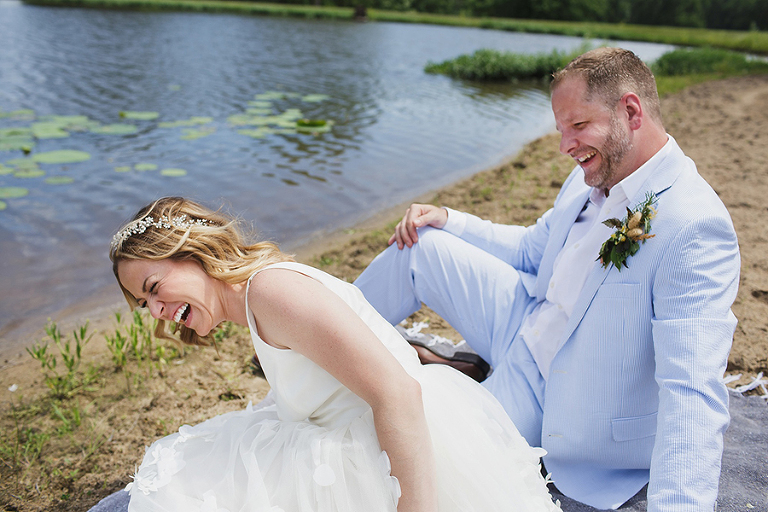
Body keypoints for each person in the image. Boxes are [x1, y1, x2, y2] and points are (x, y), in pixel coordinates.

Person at [353, 47, 740, 511]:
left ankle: (463, 377)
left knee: (426, 447)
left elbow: (692, 389)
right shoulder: (589, 174)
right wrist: (448, 218)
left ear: (631, 111)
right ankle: (318, 335)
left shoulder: (693, 225)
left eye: (578, 126)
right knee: (420, 244)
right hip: (526, 317)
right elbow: (532, 251)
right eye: (561, 130)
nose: (565, 146)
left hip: (552, 391)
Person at [109, 196, 562, 512]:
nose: (157, 312)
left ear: (195, 254)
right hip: (348, 431)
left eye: (153, 289)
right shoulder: (254, 299)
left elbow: (398, 395)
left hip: (390, 448)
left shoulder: (272, 291)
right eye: (144, 305)